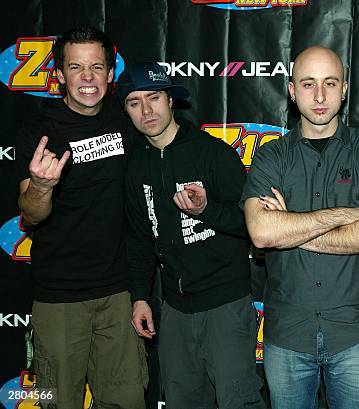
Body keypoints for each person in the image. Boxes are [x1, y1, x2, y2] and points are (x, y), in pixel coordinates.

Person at [241, 46, 359, 409]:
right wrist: (346, 214)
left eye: (329, 83)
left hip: (355, 334)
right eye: (308, 83)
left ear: (345, 89)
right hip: (287, 336)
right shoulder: (271, 155)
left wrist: (290, 225)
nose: (319, 95)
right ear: (292, 90)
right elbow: (262, 234)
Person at [119, 62, 266, 409]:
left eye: (153, 98)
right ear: (126, 110)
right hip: (175, 309)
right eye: (134, 102)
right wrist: (140, 297)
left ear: (171, 101)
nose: (146, 110)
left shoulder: (212, 153)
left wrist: (206, 211)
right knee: (182, 401)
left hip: (225, 305)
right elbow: (140, 239)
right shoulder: (136, 166)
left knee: (238, 401)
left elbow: (254, 224)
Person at [15, 26, 146, 409]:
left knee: (126, 400)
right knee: (58, 402)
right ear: (59, 75)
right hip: (59, 298)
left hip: (119, 294)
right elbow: (31, 215)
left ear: (109, 75)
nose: (87, 78)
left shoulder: (127, 120)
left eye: (96, 67)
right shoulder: (39, 132)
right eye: (76, 67)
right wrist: (41, 186)